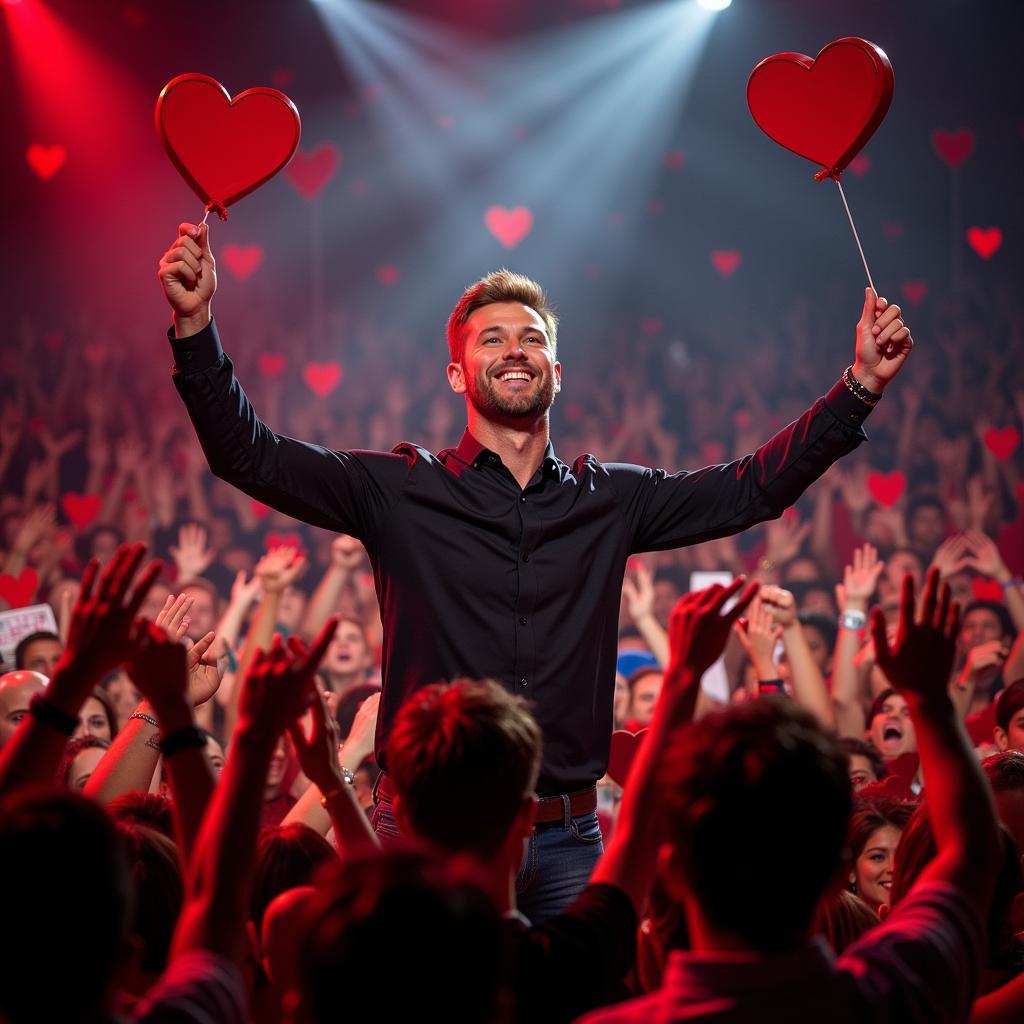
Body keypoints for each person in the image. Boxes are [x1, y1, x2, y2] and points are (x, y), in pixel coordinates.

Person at [159, 220, 913, 914]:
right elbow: (247, 454)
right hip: (429, 825)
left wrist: (861, 387)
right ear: (458, 375)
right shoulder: (397, 491)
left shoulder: (612, 499)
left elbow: (752, 488)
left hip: (567, 839)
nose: (513, 348)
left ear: (557, 369)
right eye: (490, 339)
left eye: (530, 337)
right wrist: (195, 328)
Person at [580, 568, 1002, 1023]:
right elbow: (972, 852)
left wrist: (683, 674)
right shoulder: (894, 993)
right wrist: (929, 697)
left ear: (675, 871)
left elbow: (633, 842)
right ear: (838, 877)